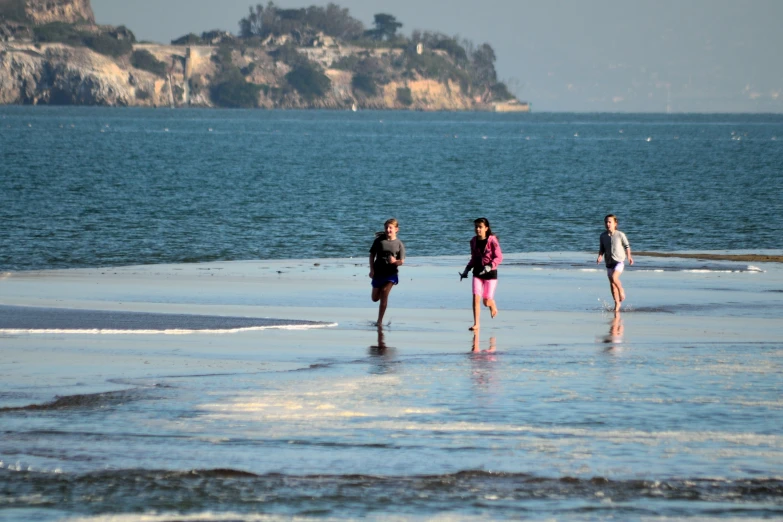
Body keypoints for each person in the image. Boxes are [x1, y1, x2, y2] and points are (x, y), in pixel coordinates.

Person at [459, 217, 503, 331]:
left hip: (490, 274)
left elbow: (499, 257)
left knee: (486, 301)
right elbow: (473, 258)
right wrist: (466, 270)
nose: (478, 229)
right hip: (477, 273)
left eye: (480, 227)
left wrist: (490, 266)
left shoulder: (492, 241)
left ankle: (492, 304)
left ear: (486, 228)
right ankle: (476, 324)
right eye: (476, 227)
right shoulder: (473, 241)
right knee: (475, 298)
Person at [369, 218, 405, 326]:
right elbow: (372, 255)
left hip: (391, 274)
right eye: (386, 227)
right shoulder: (379, 241)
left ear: (396, 229)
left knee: (385, 292)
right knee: (375, 298)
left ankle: (379, 321)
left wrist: (395, 261)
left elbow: (401, 262)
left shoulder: (399, 244)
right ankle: (381, 294)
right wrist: (372, 270)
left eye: (390, 228)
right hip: (378, 272)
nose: (388, 230)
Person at [597, 214, 633, 312]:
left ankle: (621, 290)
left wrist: (629, 257)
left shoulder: (620, 235)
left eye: (610, 222)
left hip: (619, 261)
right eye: (606, 222)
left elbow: (627, 246)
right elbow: (602, 249)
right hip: (609, 262)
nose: (607, 224)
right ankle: (617, 304)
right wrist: (600, 256)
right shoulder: (603, 236)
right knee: (612, 284)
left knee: (614, 278)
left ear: (615, 223)